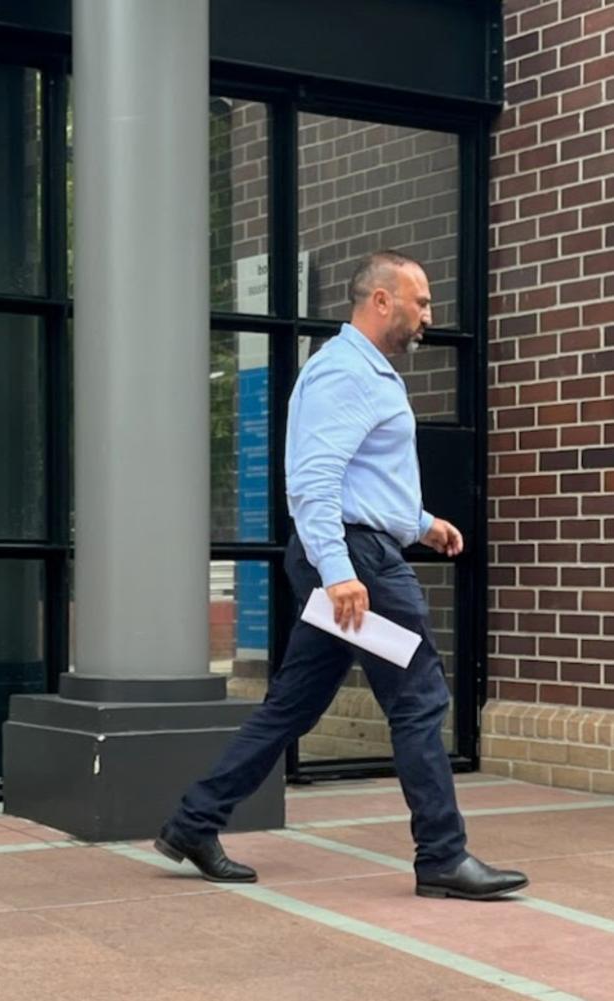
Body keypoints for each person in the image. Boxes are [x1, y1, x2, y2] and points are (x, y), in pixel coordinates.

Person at [155, 250, 529, 901]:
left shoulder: (366, 372)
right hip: (358, 566)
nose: (429, 318)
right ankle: (442, 854)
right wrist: (340, 570)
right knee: (418, 695)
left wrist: (419, 523)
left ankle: (193, 821)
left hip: (358, 553)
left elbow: (363, 478)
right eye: (421, 303)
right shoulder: (346, 374)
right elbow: (315, 479)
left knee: (293, 702)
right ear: (381, 300)